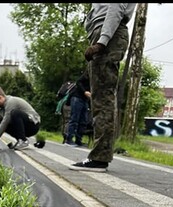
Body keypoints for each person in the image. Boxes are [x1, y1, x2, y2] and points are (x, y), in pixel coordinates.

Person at [70, 3, 136, 172]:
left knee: (103, 98)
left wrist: (102, 41)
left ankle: (99, 159)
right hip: (106, 32)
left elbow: (116, 6)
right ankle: (99, 157)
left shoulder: (107, 35)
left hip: (109, 34)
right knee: (100, 98)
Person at [0, 86, 41, 151]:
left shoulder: (10, 102)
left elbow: (5, 122)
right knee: (0, 121)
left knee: (14, 113)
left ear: (0, 97)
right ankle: (20, 140)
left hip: (33, 125)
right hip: (25, 127)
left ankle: (23, 140)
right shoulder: (2, 108)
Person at [64, 70, 91, 147]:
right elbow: (78, 82)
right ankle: (69, 140)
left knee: (83, 121)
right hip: (77, 97)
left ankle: (78, 140)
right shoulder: (88, 74)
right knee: (74, 119)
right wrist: (84, 91)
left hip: (85, 100)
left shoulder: (97, 79)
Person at [56, 79, 75, 144]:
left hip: (62, 103)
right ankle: (67, 137)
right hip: (68, 103)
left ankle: (64, 137)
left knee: (65, 121)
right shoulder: (75, 86)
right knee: (68, 120)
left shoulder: (68, 86)